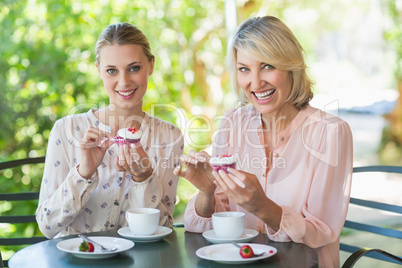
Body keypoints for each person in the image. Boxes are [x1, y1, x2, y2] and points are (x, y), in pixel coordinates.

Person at [174, 16, 352, 267]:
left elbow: (320, 233)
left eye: (267, 66)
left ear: (291, 65)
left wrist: (264, 207)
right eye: (244, 69)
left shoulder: (330, 132)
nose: (255, 83)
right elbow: (210, 225)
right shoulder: (233, 123)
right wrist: (207, 192)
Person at [36, 22, 183, 239]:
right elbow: (47, 226)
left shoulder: (170, 137)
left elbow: (164, 230)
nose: (123, 82)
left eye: (134, 68)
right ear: (98, 70)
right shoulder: (66, 130)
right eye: (112, 70)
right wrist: (83, 172)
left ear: (151, 66)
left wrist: (144, 179)